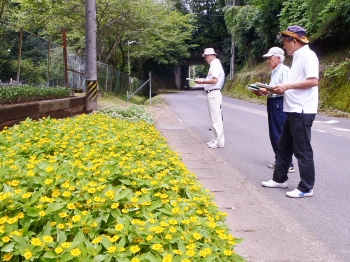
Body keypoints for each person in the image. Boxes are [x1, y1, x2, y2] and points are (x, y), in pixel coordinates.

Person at [261, 25, 319, 198]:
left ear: (294, 41)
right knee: (283, 146)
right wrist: (272, 89)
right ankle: (279, 179)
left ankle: (306, 187)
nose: (284, 47)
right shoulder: (297, 57)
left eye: (285, 42)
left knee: (302, 149)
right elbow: (292, 85)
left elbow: (314, 81)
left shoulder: (308, 56)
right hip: (292, 109)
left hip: (302, 110)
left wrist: (287, 85)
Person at [253, 47, 295, 173]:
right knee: (274, 133)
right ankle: (279, 160)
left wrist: (267, 90)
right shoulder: (275, 71)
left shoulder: (285, 70)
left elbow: (284, 88)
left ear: (278, 58)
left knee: (280, 133)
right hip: (272, 101)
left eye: (270, 58)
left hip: (279, 102)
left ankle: (288, 163)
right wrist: (260, 91)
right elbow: (271, 89)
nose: (268, 60)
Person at [195, 48, 225, 149]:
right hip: (211, 93)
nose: (205, 58)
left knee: (216, 118)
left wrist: (202, 81)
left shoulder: (216, 65)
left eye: (206, 56)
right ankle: (215, 139)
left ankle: (218, 141)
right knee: (213, 118)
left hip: (214, 93)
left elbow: (214, 80)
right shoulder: (213, 65)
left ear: (212, 55)